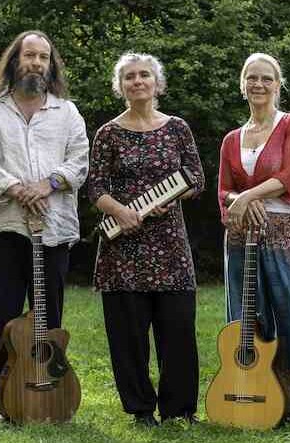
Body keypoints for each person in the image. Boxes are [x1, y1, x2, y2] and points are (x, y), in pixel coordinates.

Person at [87, 53, 205, 426]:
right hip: (124, 247)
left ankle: (179, 410)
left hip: (170, 245)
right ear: (120, 86)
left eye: (144, 76)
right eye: (130, 77)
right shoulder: (108, 132)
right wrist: (121, 211)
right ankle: (140, 410)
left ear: (157, 83)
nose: (138, 82)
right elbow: (95, 187)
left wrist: (167, 197)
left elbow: (196, 179)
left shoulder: (177, 128)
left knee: (178, 332)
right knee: (128, 337)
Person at [217, 53, 290, 427]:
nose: (259, 85)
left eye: (267, 78)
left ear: (278, 85)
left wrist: (247, 196)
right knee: (248, 320)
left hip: (287, 236)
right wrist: (239, 200)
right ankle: (263, 404)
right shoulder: (231, 139)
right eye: (251, 78)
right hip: (240, 238)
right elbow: (223, 193)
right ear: (242, 85)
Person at [0, 31, 89, 392]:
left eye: (43, 57)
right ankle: (8, 397)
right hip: (3, 228)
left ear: (51, 65)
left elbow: (80, 160)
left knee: (50, 316)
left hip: (52, 229)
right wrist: (20, 190)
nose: (36, 62)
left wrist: (48, 185)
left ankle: (48, 391)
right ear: (15, 61)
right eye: (29, 55)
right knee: (3, 317)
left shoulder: (66, 112)